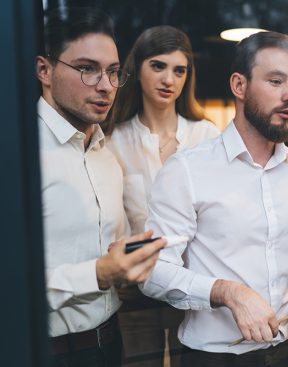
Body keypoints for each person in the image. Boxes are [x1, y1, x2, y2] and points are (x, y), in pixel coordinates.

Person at [140, 31, 288, 367]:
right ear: (239, 86)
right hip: (213, 358)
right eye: (276, 81)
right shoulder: (187, 170)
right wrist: (227, 292)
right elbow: (153, 271)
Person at [36, 7, 165, 367]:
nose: (106, 85)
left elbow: (109, 252)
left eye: (111, 71)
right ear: (45, 70)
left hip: (110, 342)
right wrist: (98, 273)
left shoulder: (106, 157)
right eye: (87, 69)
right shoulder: (20, 153)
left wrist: (129, 257)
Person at [104, 26, 220, 366]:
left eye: (179, 70)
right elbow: (114, 225)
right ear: (136, 70)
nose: (169, 78)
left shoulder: (207, 136)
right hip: (134, 293)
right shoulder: (113, 141)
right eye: (158, 66)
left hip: (195, 288)